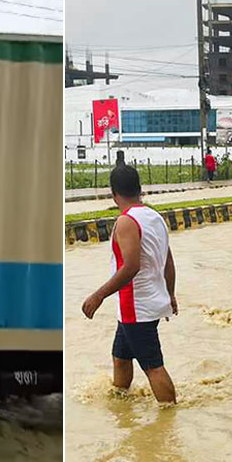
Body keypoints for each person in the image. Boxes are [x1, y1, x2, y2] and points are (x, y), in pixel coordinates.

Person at [81, 165, 179, 403]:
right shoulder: (154, 217)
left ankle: (169, 415)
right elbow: (168, 261)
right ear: (140, 189)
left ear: (113, 193)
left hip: (136, 307)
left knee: (153, 366)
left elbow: (131, 266)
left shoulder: (126, 222)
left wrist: (98, 295)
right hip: (141, 305)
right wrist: (170, 294)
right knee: (121, 356)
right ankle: (121, 403)